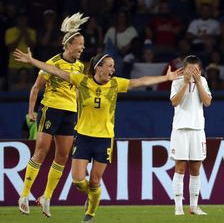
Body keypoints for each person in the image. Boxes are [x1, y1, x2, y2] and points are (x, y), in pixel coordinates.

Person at [14, 50, 182, 222]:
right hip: (83, 138)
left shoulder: (115, 84)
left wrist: (166, 78)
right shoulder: (82, 81)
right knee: (78, 182)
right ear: (98, 68)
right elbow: (55, 70)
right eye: (109, 66)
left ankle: (90, 213)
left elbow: (139, 81)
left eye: (114, 66)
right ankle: (93, 195)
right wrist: (32, 60)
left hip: (104, 139)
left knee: (95, 181)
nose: (112, 69)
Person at [17, 13, 88, 217]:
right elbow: (36, 87)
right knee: (41, 151)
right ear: (69, 46)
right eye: (80, 44)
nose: (82, 48)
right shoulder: (53, 63)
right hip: (51, 108)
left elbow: (76, 91)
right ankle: (24, 195)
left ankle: (46, 197)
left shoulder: (80, 66)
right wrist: (31, 111)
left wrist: (79, 109)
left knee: (63, 156)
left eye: (83, 44)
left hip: (69, 112)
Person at [170, 55, 212, 216]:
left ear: (200, 70)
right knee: (180, 168)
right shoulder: (177, 81)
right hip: (180, 129)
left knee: (195, 169)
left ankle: (194, 207)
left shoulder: (203, 81)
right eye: (190, 69)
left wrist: (199, 82)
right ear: (184, 69)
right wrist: (186, 82)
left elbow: (207, 102)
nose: (193, 72)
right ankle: (178, 207)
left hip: (197, 129)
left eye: (196, 70)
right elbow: (175, 102)